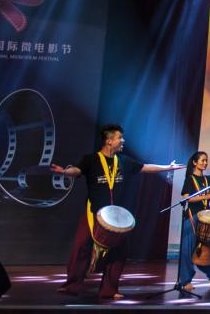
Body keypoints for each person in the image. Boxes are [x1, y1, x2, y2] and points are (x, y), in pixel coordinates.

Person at [51, 124, 183, 300]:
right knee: (81, 247)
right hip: (93, 213)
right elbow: (77, 170)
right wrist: (65, 172)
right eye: (120, 137)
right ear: (109, 140)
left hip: (116, 216)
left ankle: (109, 289)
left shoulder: (122, 161)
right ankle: (71, 286)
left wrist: (167, 168)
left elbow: (144, 167)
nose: (123, 141)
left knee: (119, 252)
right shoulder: (91, 159)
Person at [176, 151, 210, 291]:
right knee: (187, 249)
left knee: (209, 248)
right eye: (202, 160)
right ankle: (185, 281)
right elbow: (187, 198)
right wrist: (205, 197)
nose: (205, 163)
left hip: (206, 217)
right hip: (192, 216)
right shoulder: (190, 179)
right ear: (195, 162)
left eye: (206, 160)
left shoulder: (208, 179)